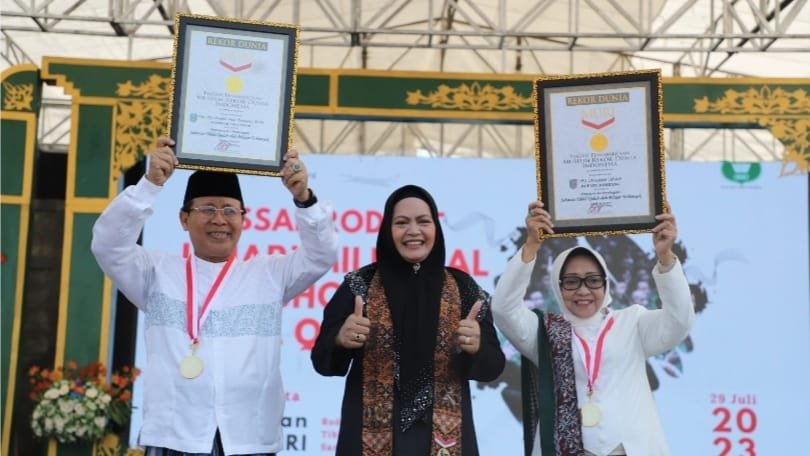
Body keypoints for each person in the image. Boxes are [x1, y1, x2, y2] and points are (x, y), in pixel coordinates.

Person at [91, 137, 338, 455]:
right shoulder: (156, 272)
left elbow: (322, 254)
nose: (219, 220)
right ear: (184, 219)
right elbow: (107, 245)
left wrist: (303, 198)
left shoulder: (269, 274)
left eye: (229, 210)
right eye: (207, 209)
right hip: (174, 436)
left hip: (249, 439)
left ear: (243, 219)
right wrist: (149, 185)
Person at [311, 185, 505, 456]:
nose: (413, 231)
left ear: (436, 228)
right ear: (387, 230)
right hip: (367, 438)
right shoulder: (359, 285)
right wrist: (340, 340)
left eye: (423, 221)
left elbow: (493, 367)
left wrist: (477, 347)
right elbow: (322, 362)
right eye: (401, 223)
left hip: (446, 440)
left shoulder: (464, 288)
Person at [491, 201, 693, 456]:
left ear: (606, 284)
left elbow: (679, 321)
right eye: (571, 281)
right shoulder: (544, 333)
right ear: (557, 286)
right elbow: (503, 309)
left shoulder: (631, 322)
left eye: (593, 280)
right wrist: (531, 246)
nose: (583, 290)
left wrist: (665, 257)